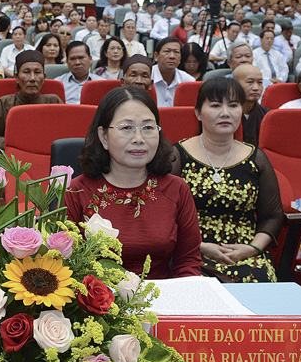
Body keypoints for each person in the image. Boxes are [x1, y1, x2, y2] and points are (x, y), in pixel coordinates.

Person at [65, 86, 202, 278]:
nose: (139, 139)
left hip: (162, 301)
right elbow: (66, 265)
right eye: (127, 128)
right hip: (95, 302)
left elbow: (188, 262)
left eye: (148, 128)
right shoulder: (77, 191)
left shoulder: (177, 189)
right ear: (104, 136)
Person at [172, 78, 282, 283]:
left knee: (260, 284)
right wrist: (199, 245)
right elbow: (163, 214)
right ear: (198, 113)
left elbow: (273, 216)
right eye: (215, 105)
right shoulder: (177, 155)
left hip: (246, 255)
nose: (225, 113)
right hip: (191, 252)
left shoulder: (256, 158)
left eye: (233, 105)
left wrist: (252, 248)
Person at [0, 50, 63, 153]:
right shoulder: (4, 103)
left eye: (37, 72)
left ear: (44, 77)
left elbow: (65, 135)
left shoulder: (54, 102)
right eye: (26, 72)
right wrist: (17, 145)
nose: (32, 78)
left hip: (48, 158)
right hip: (13, 162)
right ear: (16, 77)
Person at [151, 37, 194, 107]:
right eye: (167, 51)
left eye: (176, 52)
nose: (172, 56)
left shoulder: (188, 81)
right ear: (156, 56)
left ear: (180, 58)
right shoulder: (147, 76)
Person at [233, 64, 269, 146]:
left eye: (260, 82)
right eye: (250, 82)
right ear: (236, 84)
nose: (256, 88)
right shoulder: (226, 114)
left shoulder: (266, 115)